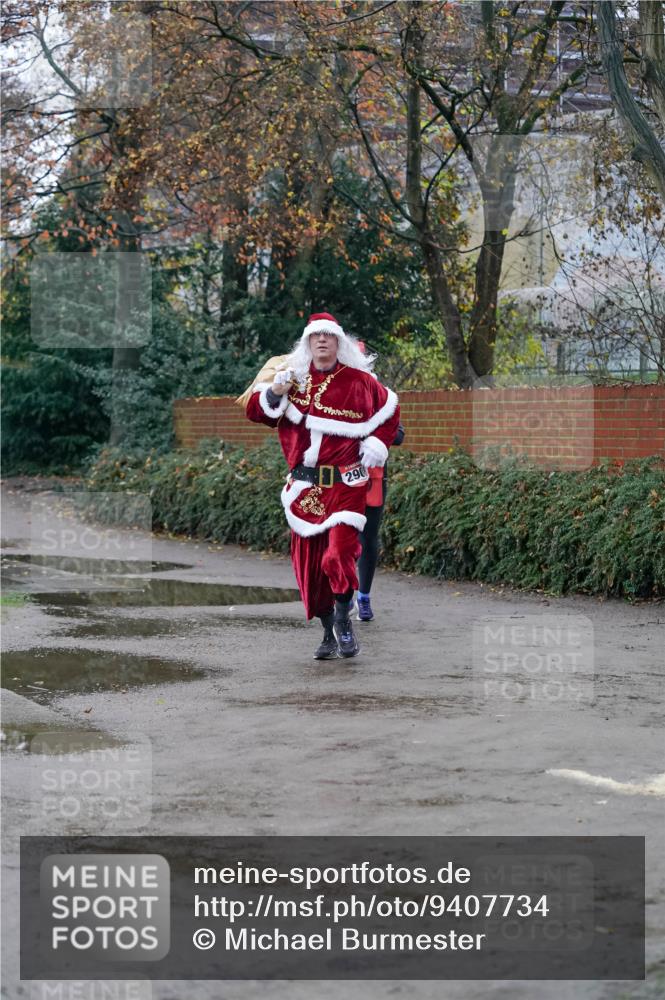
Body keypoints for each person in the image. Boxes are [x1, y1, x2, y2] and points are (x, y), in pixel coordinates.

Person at [245, 312, 400, 660]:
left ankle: (345, 620)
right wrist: (275, 392)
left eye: (329, 336)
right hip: (304, 488)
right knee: (311, 569)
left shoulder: (360, 382)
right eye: (316, 337)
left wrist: (377, 444)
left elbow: (391, 411)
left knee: (339, 554)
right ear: (307, 343)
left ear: (339, 342)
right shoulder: (292, 380)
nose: (322, 342)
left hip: (346, 484)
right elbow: (256, 412)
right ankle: (328, 630)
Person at [356, 421, 405, 621]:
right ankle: (342, 595)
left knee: (368, 539)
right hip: (338, 477)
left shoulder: (380, 400)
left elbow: (399, 435)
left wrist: (371, 436)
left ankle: (363, 597)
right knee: (339, 538)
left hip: (372, 477)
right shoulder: (333, 397)